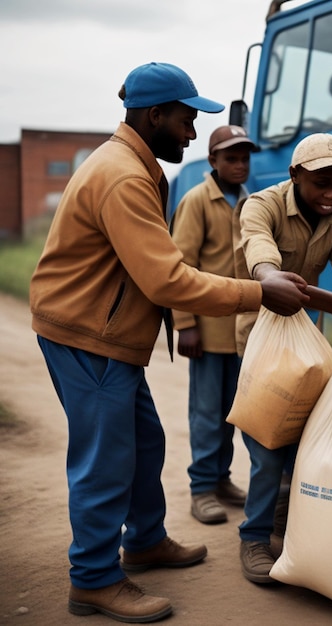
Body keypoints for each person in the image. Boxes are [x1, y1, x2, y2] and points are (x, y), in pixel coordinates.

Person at [29, 62, 309, 624]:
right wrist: (260, 292)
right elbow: (167, 279)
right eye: (186, 120)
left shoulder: (133, 162)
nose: (190, 133)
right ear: (154, 115)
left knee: (145, 443)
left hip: (108, 334)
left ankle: (146, 540)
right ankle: (93, 579)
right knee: (106, 459)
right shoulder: (124, 175)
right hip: (89, 334)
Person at [236, 132, 332, 584]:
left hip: (309, 347)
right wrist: (330, 300)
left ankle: (297, 527)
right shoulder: (261, 205)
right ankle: (254, 537)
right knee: (267, 443)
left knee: (307, 441)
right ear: (294, 175)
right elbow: (263, 262)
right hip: (263, 340)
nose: (331, 194)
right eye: (322, 182)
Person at [171, 125, 260, 525]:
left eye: (244, 158)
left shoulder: (251, 203)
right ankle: (202, 488)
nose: (240, 165)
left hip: (244, 334)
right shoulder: (196, 201)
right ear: (212, 162)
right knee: (207, 413)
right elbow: (179, 267)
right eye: (231, 158)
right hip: (206, 333)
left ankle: (222, 480)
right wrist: (185, 324)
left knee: (233, 412)